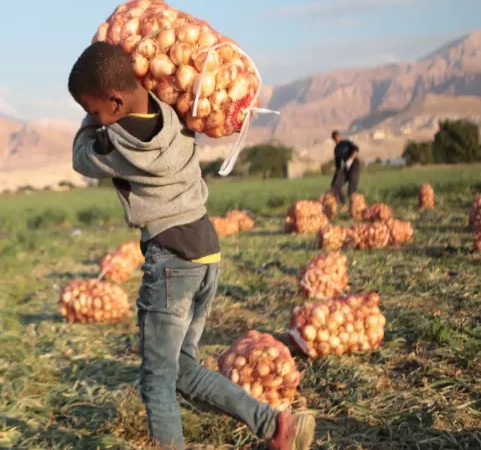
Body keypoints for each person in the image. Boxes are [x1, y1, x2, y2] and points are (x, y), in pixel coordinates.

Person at [67, 42, 315, 450]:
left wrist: (90, 122)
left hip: (171, 262)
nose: (93, 118)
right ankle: (275, 425)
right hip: (205, 251)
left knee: (156, 383)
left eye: (94, 110)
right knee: (182, 368)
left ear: (115, 101)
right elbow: (129, 93)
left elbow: (82, 157)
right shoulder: (172, 112)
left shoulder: (121, 143)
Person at [330, 130, 361, 205]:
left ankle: (354, 207)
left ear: (339, 136)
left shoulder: (346, 143)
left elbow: (356, 150)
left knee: (351, 189)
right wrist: (334, 179)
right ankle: (344, 204)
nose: (336, 139)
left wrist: (351, 159)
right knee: (336, 186)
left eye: (337, 137)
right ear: (333, 139)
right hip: (346, 167)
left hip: (354, 165)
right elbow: (338, 166)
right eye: (334, 138)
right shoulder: (336, 150)